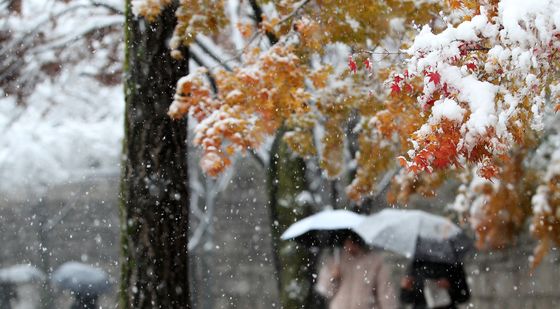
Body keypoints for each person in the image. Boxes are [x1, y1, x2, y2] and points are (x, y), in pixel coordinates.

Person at [316, 232, 397, 309]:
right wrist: (333, 277)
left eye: (354, 242)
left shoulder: (375, 261)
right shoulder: (335, 260)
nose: (350, 246)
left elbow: (385, 293)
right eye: (348, 242)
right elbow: (324, 291)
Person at [400, 259, 470, 309]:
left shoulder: (453, 263)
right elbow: (406, 299)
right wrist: (406, 289)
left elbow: (464, 296)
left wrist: (450, 287)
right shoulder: (416, 263)